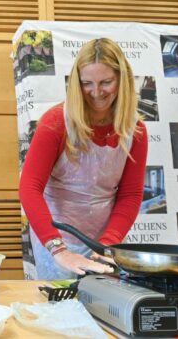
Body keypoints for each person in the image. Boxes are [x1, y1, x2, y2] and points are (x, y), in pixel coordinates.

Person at [19, 38, 148, 280]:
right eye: (86, 83)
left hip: (107, 240)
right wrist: (58, 249)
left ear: (122, 80)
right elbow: (29, 188)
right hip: (57, 240)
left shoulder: (135, 129)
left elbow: (130, 195)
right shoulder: (56, 122)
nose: (96, 93)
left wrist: (107, 245)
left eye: (106, 82)